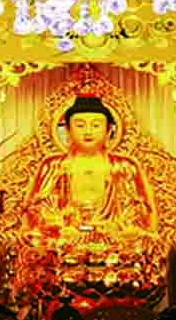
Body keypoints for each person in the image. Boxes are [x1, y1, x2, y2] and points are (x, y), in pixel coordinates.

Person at [21, 95, 158, 244]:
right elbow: (36, 209)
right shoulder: (53, 166)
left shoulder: (124, 166)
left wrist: (116, 227)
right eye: (80, 125)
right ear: (67, 129)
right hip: (65, 240)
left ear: (109, 130)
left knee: (140, 242)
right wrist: (59, 226)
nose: (88, 131)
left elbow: (140, 211)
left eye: (96, 125)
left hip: (113, 242)